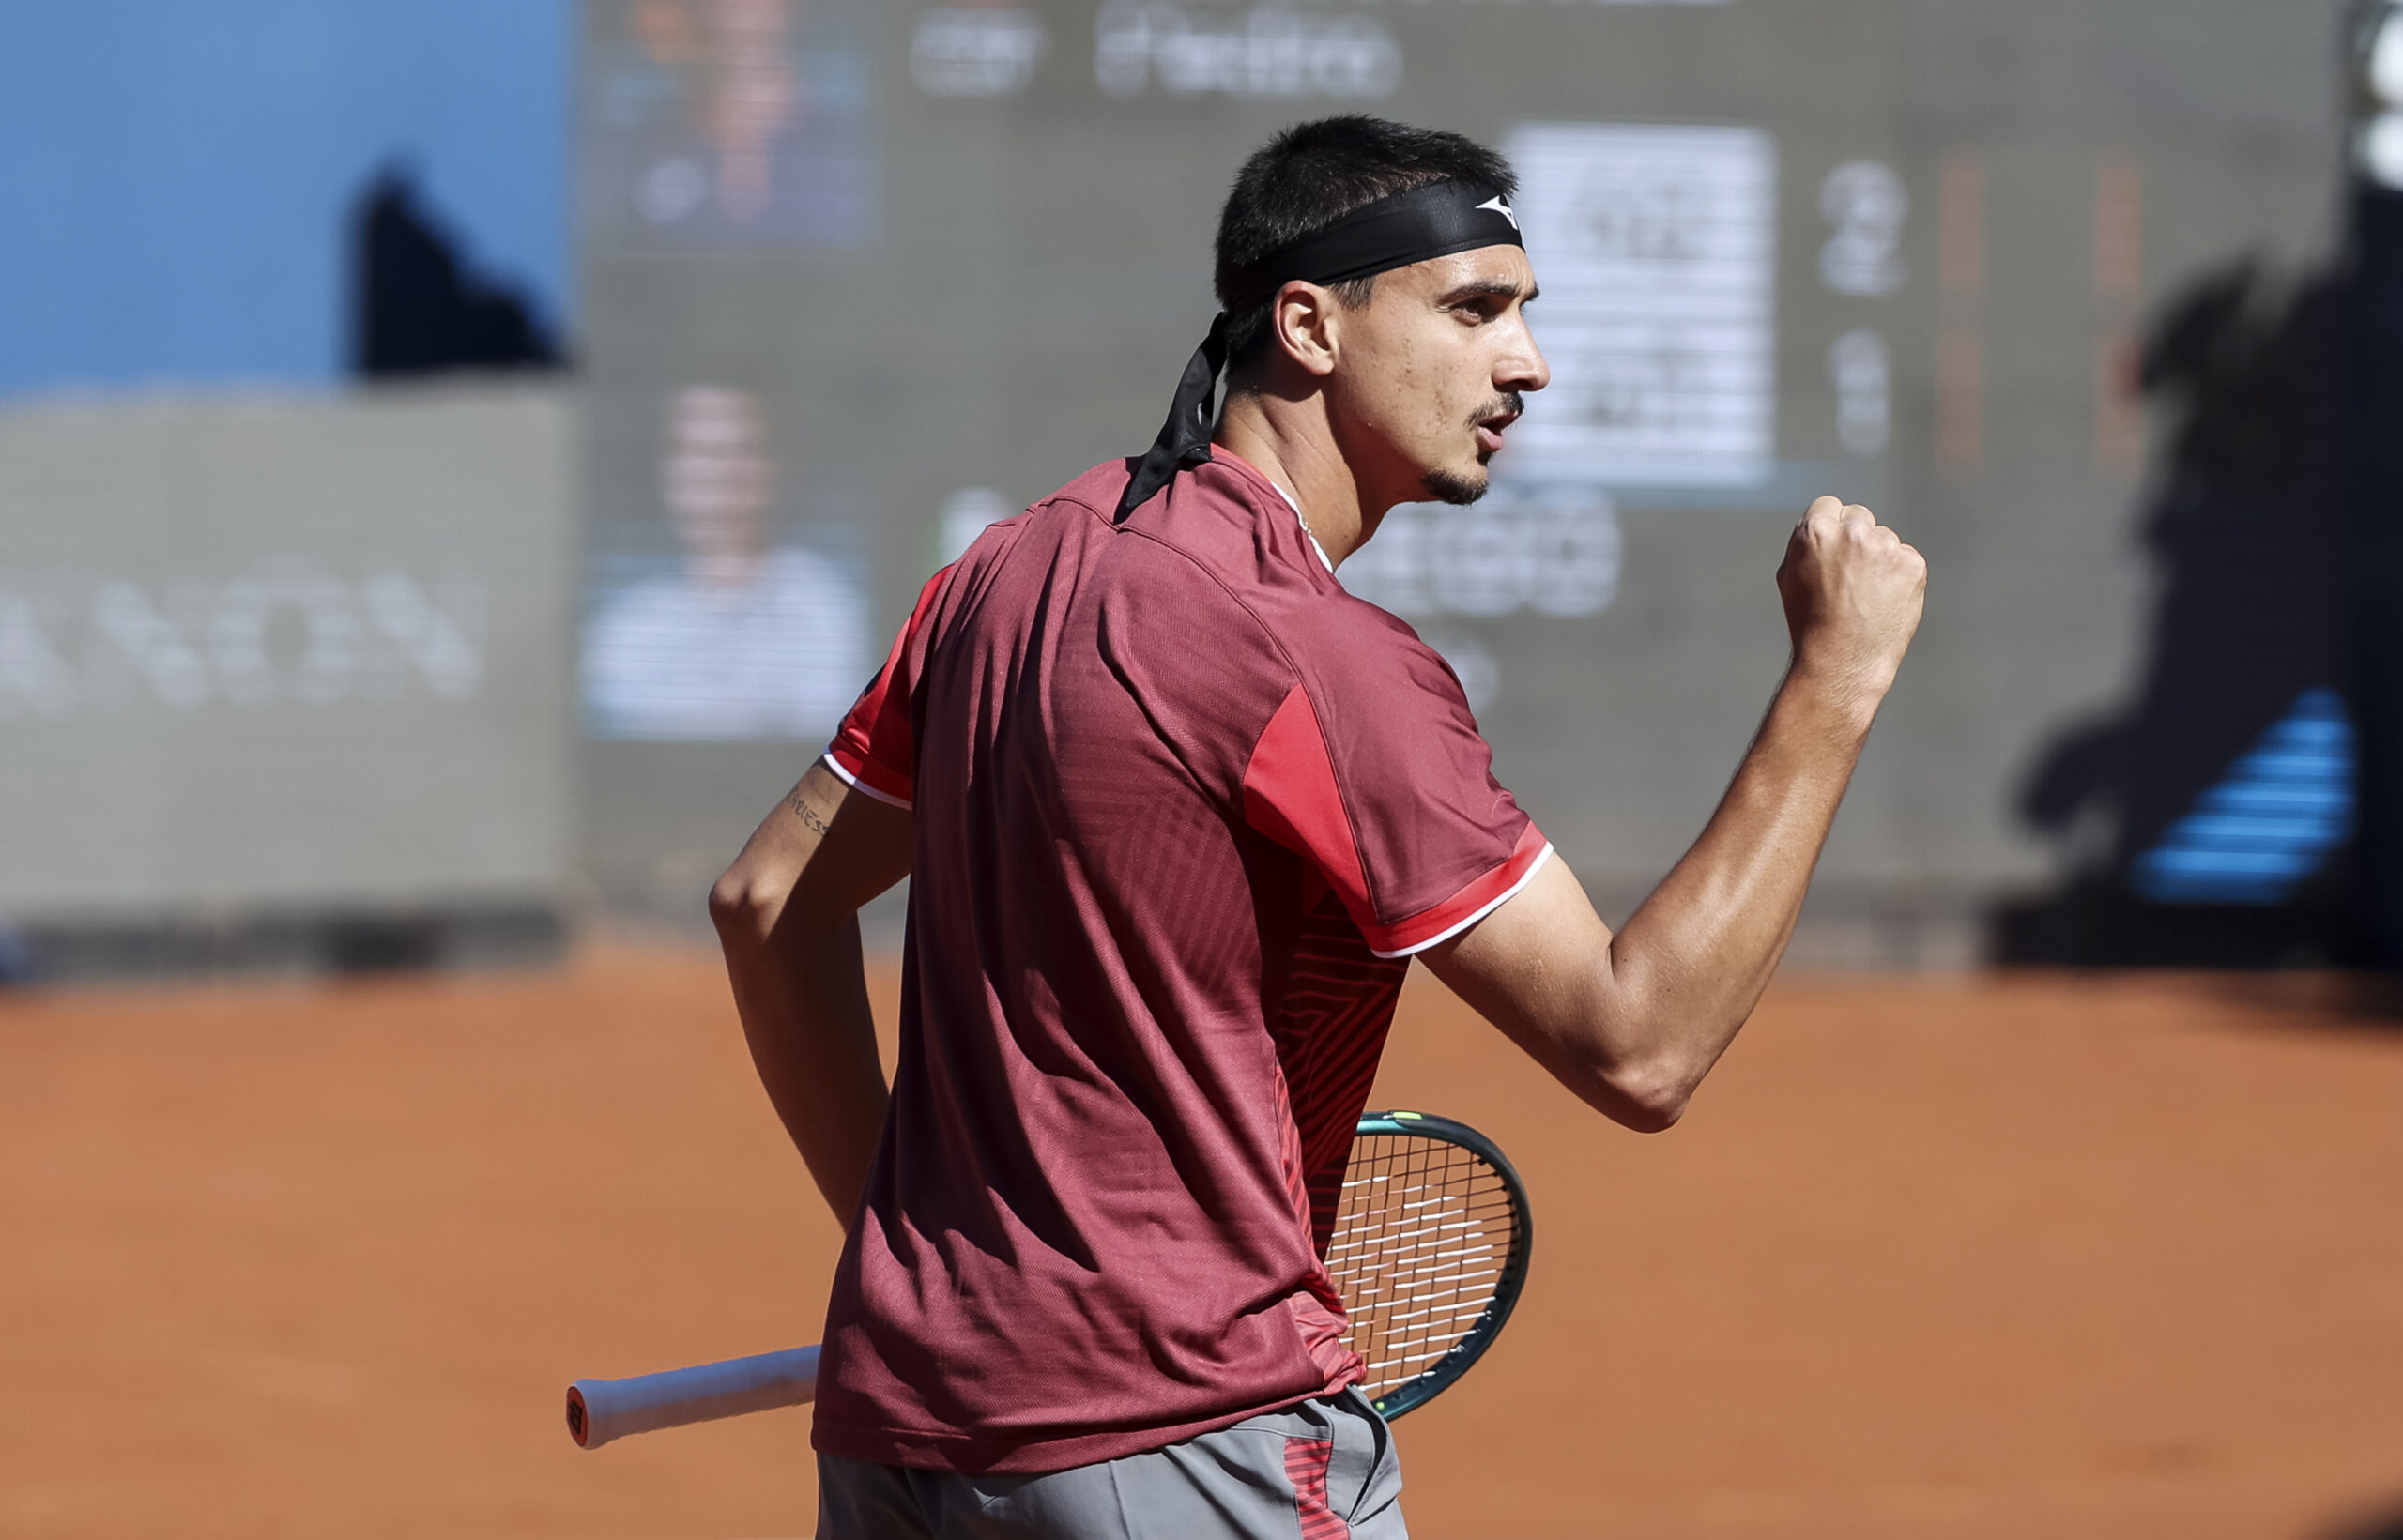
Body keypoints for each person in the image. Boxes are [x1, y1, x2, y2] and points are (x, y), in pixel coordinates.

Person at [710, 115, 1925, 1539]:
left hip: (900, 1431)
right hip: (1187, 1431)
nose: (1526, 363)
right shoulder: (1321, 658)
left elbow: (767, 896)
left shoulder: (1008, 569)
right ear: (1310, 325)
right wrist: (1834, 683)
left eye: (1528, 314)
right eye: (1475, 308)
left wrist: (922, 1258)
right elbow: (1640, 1039)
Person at [583, 385, 868, 740]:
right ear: (667, 473)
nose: (718, 472)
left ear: (773, 468)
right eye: (698, 451)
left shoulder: (827, 611)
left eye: (738, 450)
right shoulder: (624, 630)